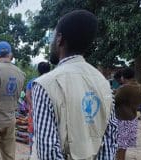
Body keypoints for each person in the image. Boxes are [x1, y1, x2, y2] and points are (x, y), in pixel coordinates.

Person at [31, 10, 117, 159]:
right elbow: (110, 140)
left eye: (53, 36)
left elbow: (48, 151)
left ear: (59, 39)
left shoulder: (45, 84)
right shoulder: (103, 83)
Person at [115, 67, 141, 160]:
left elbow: (114, 101)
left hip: (122, 120)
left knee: (120, 147)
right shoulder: (140, 87)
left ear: (123, 77)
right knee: (124, 147)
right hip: (133, 119)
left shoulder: (124, 88)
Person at [25, 62, 51, 154]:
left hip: (33, 112)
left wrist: (33, 105)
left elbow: (28, 95)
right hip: (48, 113)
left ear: (38, 70)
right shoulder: (52, 81)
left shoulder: (32, 81)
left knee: (32, 132)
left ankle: (32, 154)